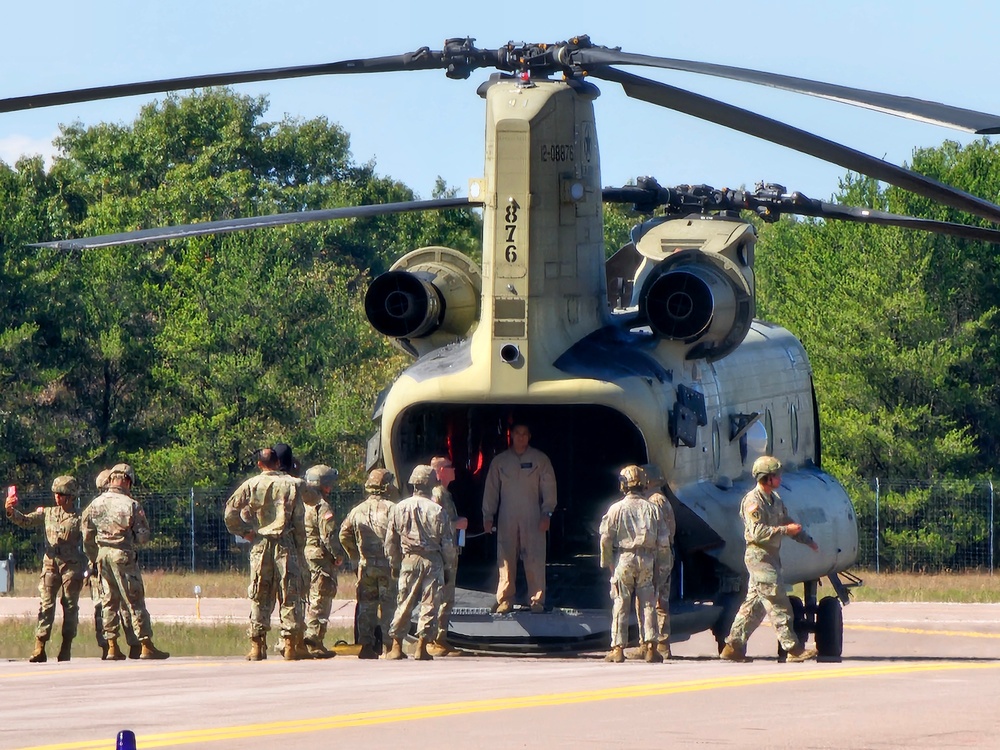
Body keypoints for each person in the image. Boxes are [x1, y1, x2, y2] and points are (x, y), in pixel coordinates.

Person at [720, 456, 819, 663]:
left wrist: (806, 539)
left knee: (754, 607)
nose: (780, 478)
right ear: (767, 478)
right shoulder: (753, 501)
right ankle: (792, 648)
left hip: (771, 556)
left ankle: (733, 646)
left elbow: (786, 521)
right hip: (759, 557)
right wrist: (785, 530)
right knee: (778, 601)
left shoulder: (775, 500)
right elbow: (757, 533)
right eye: (776, 475)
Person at [224, 447, 310, 661]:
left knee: (259, 592)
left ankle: (257, 645)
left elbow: (230, 512)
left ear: (260, 464)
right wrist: (300, 547)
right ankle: (290, 645)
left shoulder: (250, 485)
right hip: (286, 543)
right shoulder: (294, 484)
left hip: (261, 543)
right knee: (289, 593)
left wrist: (245, 532)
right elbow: (300, 518)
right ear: (278, 463)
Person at [81, 463, 169, 660]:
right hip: (123, 554)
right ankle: (146, 644)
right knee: (134, 599)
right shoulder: (131, 504)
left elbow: (87, 536)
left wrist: (94, 557)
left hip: (102, 555)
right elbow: (143, 536)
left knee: (108, 601)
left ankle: (112, 646)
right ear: (127, 481)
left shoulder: (94, 504)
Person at [5, 475, 86, 662]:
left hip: (71, 564)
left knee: (70, 605)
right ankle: (39, 646)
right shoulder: (48, 513)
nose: (57, 497)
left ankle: (66, 646)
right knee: (46, 604)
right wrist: (10, 510)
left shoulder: (80, 517)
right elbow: (25, 521)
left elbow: (90, 540)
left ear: (70, 496)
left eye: (62, 494)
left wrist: (90, 564)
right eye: (56, 493)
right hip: (50, 562)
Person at [599, 465, 672, 664]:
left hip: (624, 558)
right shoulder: (653, 509)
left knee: (621, 603)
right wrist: (663, 567)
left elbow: (605, 538)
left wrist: (608, 563)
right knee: (648, 602)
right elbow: (664, 542)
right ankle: (650, 646)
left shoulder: (616, 509)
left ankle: (617, 649)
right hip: (647, 560)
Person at [383, 465, 456, 661]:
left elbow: (391, 541)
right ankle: (422, 647)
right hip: (433, 560)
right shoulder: (438, 510)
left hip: (409, 559)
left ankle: (397, 646)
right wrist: (449, 566)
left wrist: (394, 563)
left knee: (404, 602)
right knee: (430, 604)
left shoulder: (399, 508)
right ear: (432, 483)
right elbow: (447, 544)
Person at [482, 424, 557, 613]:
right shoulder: (500, 461)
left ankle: (536, 600)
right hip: (506, 515)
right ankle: (505, 599)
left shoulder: (540, 460)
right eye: (517, 433)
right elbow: (491, 490)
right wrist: (488, 515)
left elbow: (549, 488)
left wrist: (547, 512)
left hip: (533, 514)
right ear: (511, 435)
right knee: (505, 557)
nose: (521, 437)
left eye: (525, 434)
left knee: (535, 557)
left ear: (529, 436)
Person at [339, 468, 399, 659]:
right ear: (387, 486)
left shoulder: (357, 510)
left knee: (367, 606)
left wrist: (355, 556)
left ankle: (366, 645)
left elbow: (343, 534)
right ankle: (391, 647)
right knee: (389, 605)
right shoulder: (393, 509)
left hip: (366, 566)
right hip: (388, 566)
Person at [426, 455, 468, 656]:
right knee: (441, 595)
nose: (454, 470)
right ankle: (435, 639)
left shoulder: (445, 493)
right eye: (450, 466)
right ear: (440, 471)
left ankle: (441, 638)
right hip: (443, 553)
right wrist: (456, 524)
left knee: (447, 596)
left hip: (450, 551)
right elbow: (435, 523)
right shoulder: (436, 493)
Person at [301, 464, 342, 659]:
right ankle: (314, 640)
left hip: (304, 554)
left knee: (305, 597)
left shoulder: (302, 504)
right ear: (324, 485)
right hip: (320, 557)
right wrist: (338, 555)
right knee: (321, 597)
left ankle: (299, 638)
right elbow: (329, 535)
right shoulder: (322, 506)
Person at [641, 463, 676, 659]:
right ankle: (651, 642)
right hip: (661, 553)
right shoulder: (658, 499)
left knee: (656, 600)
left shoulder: (655, 501)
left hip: (657, 555)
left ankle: (660, 642)